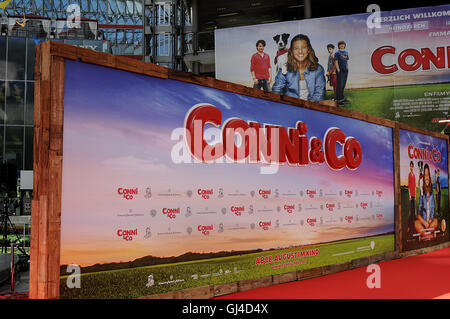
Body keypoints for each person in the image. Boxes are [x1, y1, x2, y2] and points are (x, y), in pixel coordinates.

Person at [271, 34, 325, 102]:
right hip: (290, 105)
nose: (300, 51)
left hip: (311, 106)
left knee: (332, 104)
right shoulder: (284, 69)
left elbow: (319, 95)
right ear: (292, 51)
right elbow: (276, 91)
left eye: (303, 47)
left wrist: (307, 106)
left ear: (308, 49)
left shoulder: (318, 69)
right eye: (296, 48)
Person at [415, 163, 438, 240]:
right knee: (416, 223)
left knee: (436, 221)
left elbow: (433, 212)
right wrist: (424, 222)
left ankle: (424, 235)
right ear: (423, 178)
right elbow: (418, 214)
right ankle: (429, 236)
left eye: (428, 175)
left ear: (430, 177)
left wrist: (430, 221)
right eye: (425, 175)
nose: (427, 177)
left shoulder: (432, 194)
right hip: (424, 222)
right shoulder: (422, 194)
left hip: (430, 223)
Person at [334, 40, 349, 105]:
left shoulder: (346, 52)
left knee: (343, 85)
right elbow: (336, 62)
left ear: (344, 45)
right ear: (339, 45)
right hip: (340, 71)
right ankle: (338, 99)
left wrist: (347, 68)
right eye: (340, 44)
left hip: (345, 70)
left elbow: (346, 61)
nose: (342, 45)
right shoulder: (337, 53)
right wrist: (338, 70)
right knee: (340, 85)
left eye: (343, 44)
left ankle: (342, 98)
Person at [408, 161, 416, 234]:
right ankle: (409, 226)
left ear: (413, 167)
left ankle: (413, 226)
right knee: (410, 211)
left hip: (414, 195)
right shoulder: (409, 175)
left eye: (412, 166)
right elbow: (409, 186)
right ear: (409, 167)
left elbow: (415, 186)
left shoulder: (414, 175)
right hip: (411, 195)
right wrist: (410, 195)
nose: (411, 167)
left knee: (414, 211)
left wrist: (415, 195)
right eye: (410, 166)